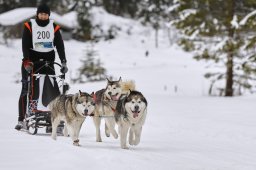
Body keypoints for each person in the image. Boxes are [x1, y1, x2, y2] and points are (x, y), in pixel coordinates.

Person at [15, 4, 68, 130]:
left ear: (48, 15)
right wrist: (27, 61)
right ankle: (21, 119)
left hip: (48, 63)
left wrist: (64, 62)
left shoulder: (54, 27)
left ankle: (52, 117)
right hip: (31, 63)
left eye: (46, 14)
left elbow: (60, 46)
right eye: (41, 14)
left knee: (52, 89)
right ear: (37, 14)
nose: (43, 16)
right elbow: (25, 45)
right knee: (26, 89)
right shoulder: (29, 26)